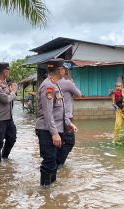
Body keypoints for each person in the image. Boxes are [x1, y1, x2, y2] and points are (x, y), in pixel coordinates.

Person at [35, 58, 75, 187]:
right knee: (49, 162)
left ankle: (51, 190)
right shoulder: (48, 86)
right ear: (59, 70)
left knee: (54, 162)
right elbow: (47, 113)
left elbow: (59, 110)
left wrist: (68, 123)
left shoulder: (55, 84)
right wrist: (54, 133)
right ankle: (45, 193)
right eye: (64, 68)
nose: (65, 71)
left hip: (56, 129)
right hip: (48, 130)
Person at [0, 62, 18, 163]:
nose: (9, 72)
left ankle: (5, 158)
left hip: (8, 117)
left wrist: (11, 92)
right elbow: (5, 99)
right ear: (5, 71)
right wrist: (13, 92)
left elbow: (8, 95)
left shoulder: (4, 82)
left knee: (12, 138)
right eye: (8, 70)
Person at [56, 65, 81, 168]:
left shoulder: (52, 82)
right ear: (63, 71)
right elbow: (79, 94)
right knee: (70, 142)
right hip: (66, 116)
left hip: (56, 116)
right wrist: (73, 85)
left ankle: (56, 162)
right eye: (68, 70)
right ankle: (59, 164)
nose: (69, 72)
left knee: (60, 140)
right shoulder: (68, 83)